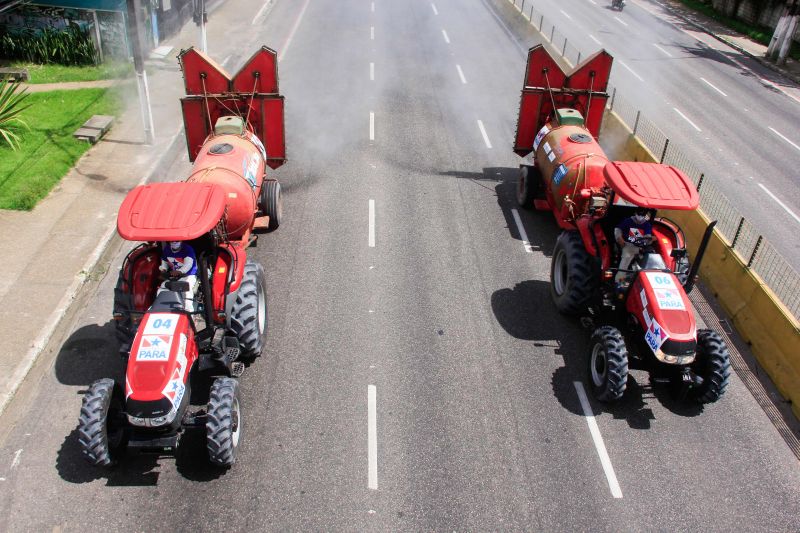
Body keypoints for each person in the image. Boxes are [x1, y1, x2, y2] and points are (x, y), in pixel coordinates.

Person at [614, 208, 655, 283]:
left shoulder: (646, 224)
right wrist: (619, 238)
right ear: (635, 213)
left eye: (642, 215)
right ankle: (619, 280)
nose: (640, 216)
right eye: (639, 214)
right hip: (628, 244)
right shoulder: (628, 221)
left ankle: (644, 281)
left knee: (649, 259)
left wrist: (649, 239)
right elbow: (618, 229)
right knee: (626, 256)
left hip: (640, 246)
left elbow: (647, 236)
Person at [157, 241, 198, 311]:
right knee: (162, 287)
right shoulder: (167, 249)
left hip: (189, 275)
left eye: (177, 241)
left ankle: (188, 311)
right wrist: (163, 269)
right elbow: (164, 262)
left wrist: (180, 271)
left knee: (186, 288)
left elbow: (188, 264)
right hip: (175, 276)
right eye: (172, 241)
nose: (174, 243)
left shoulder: (187, 249)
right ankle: (160, 309)